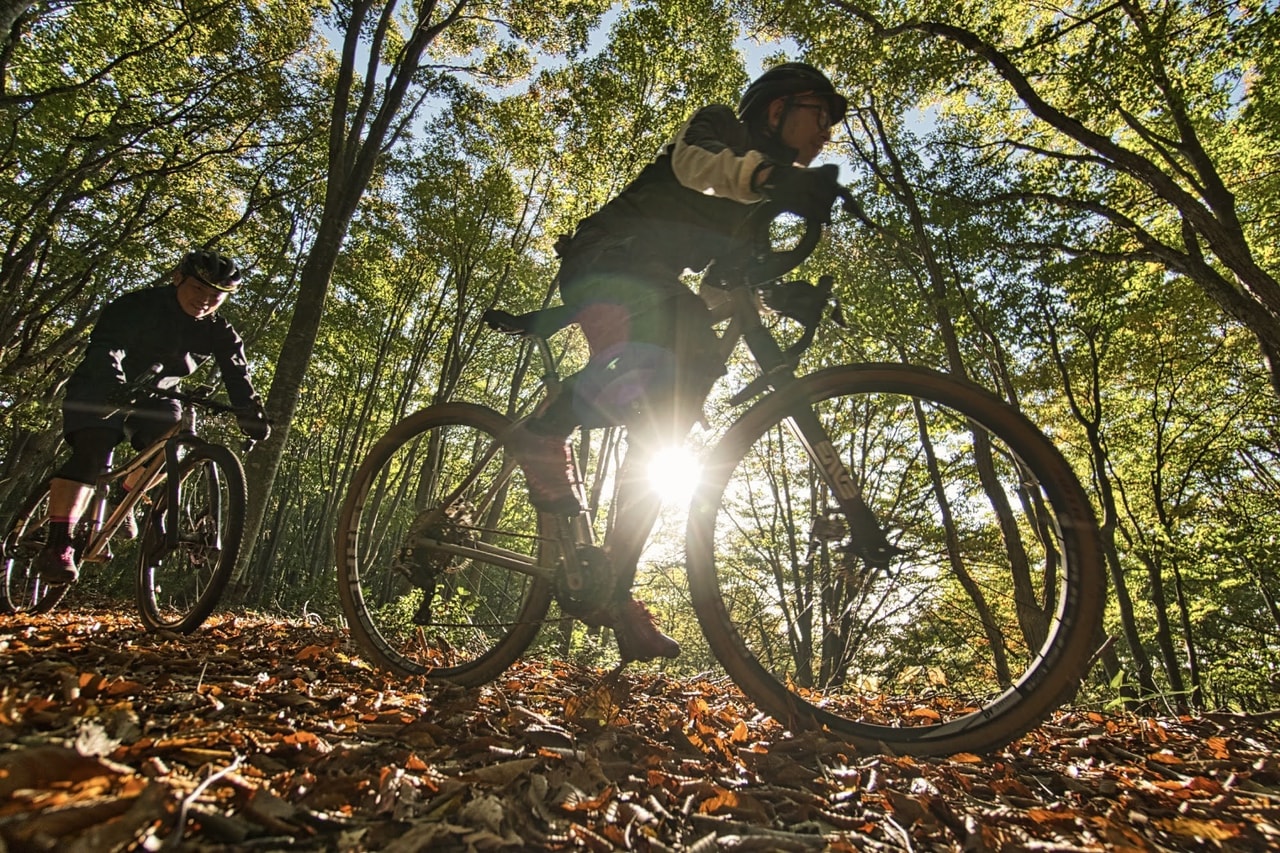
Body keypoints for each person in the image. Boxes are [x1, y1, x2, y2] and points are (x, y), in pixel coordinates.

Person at [507, 62, 848, 662]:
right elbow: (699, 168)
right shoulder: (720, 131)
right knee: (680, 323)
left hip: (656, 280)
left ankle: (613, 586)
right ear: (776, 110)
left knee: (666, 431)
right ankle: (545, 429)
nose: (826, 132)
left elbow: (724, 285)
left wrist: (778, 293)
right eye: (819, 115)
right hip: (604, 259)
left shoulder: (753, 204)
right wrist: (769, 176)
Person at [37, 249, 270, 584]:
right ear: (178, 278)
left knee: (170, 451)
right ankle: (58, 544)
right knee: (93, 452)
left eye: (216, 296)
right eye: (198, 289)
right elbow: (106, 347)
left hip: (158, 394)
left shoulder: (219, 331)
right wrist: (114, 380)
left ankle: (127, 495)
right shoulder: (137, 305)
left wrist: (249, 413)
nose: (205, 301)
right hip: (101, 384)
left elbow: (237, 374)